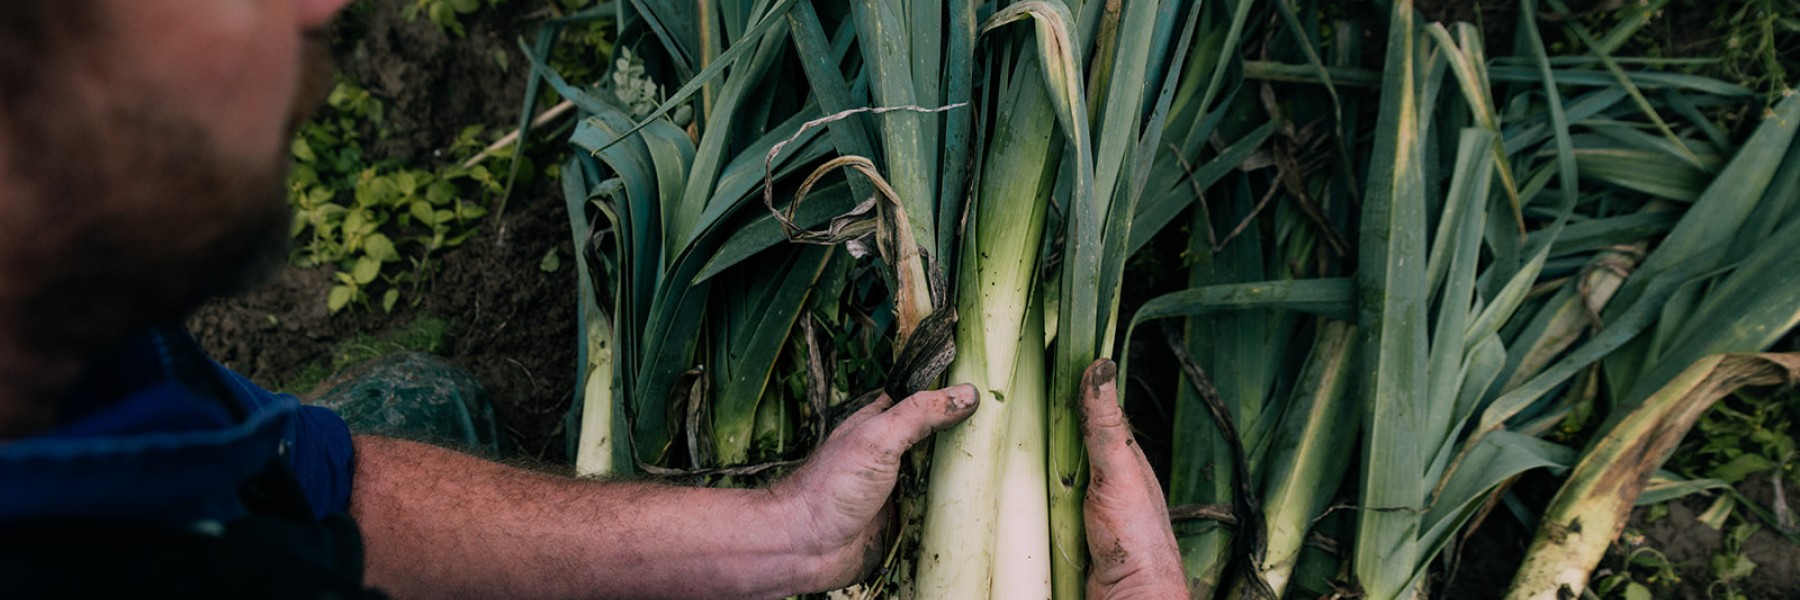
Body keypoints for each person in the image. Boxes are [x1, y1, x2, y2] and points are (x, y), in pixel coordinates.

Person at [0, 1, 1187, 598]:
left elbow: (316, 483)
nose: (326, 4)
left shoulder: (87, 360)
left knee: (369, 425)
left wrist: (786, 531)